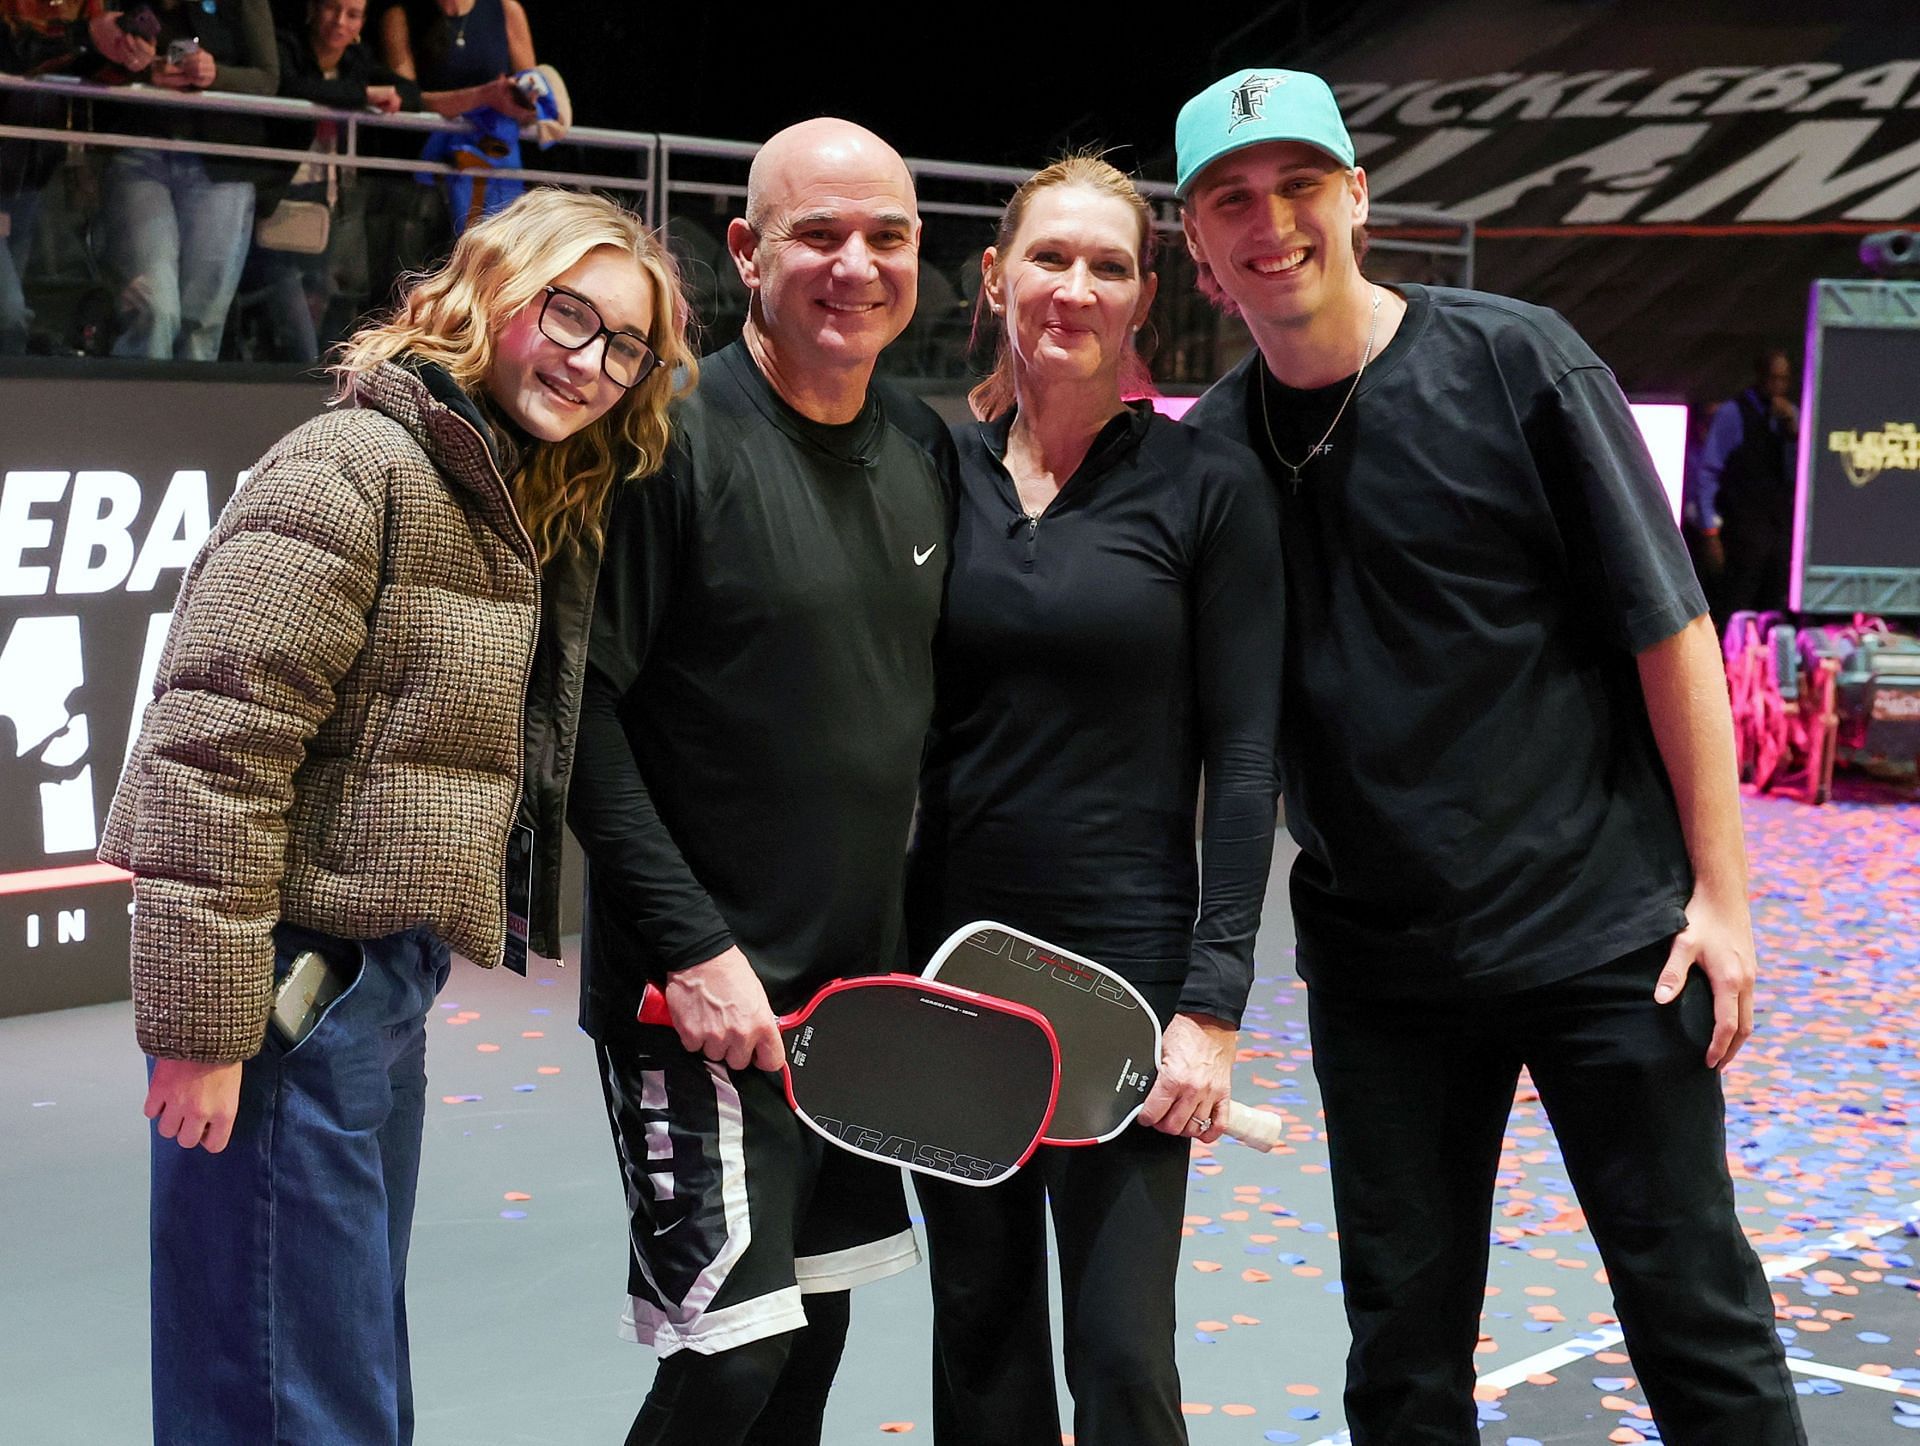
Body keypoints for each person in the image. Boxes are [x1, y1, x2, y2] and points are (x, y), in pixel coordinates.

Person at [1174, 68, 1806, 1446]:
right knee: (1401, 1357)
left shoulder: (1520, 362)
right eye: (1232, 200)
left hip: (1605, 940)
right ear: (1202, 252)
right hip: (1382, 975)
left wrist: (1724, 896)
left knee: (1696, 1318)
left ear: (1356, 198)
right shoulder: (1212, 459)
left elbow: (1673, 629)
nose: (1269, 220)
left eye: (1297, 187)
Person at [100, 187, 697, 1445]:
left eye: (625, 344)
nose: (591, 362)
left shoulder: (506, 491)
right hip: (280, 1003)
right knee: (286, 1394)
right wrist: (204, 1029)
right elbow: (213, 745)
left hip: (378, 993)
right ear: (491, 294)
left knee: (338, 1376)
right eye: (568, 315)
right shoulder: (357, 461)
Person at [567, 117, 952, 1446]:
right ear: (745, 251)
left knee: (810, 1346)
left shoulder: (921, 445)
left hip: (854, 1009)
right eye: (819, 233)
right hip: (695, 1007)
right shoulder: (662, 441)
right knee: (731, 1357)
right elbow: (578, 718)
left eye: (888, 235)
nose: (857, 263)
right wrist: (699, 949)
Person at [904, 155, 1284, 1444]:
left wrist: (1212, 1008)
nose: (1075, 287)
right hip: (948, 975)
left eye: (1108, 265)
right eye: (1050, 258)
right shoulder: (927, 470)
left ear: (1142, 299)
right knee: (985, 1346)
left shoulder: (1207, 490)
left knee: (1122, 1363)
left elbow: (1243, 759)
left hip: (1126, 985)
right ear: (998, 276)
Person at [95, 0, 277, 360]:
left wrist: (215, 75)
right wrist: (145, 73)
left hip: (221, 162)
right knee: (154, 308)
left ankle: (184, 415)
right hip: (140, 153)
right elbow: (92, 58)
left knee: (201, 323)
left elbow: (268, 79)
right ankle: (132, 413)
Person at [253, 0, 423, 361]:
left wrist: (385, 96)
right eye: (333, 8)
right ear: (313, 9)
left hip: (330, 206)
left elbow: (409, 93)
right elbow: (289, 86)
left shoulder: (355, 61)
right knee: (296, 335)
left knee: (331, 318)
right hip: (276, 202)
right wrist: (362, 97)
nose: (340, 22)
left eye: (354, 14)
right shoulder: (286, 46)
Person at [1698, 347, 1799, 622]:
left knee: (1775, 605)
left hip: (1780, 529)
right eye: (1772, 378)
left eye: (1784, 379)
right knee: (1737, 603)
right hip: (1742, 528)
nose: (1777, 386)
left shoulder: (1792, 417)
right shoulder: (1733, 413)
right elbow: (1708, 472)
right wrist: (1710, 531)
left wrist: (1792, 430)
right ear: (1760, 376)